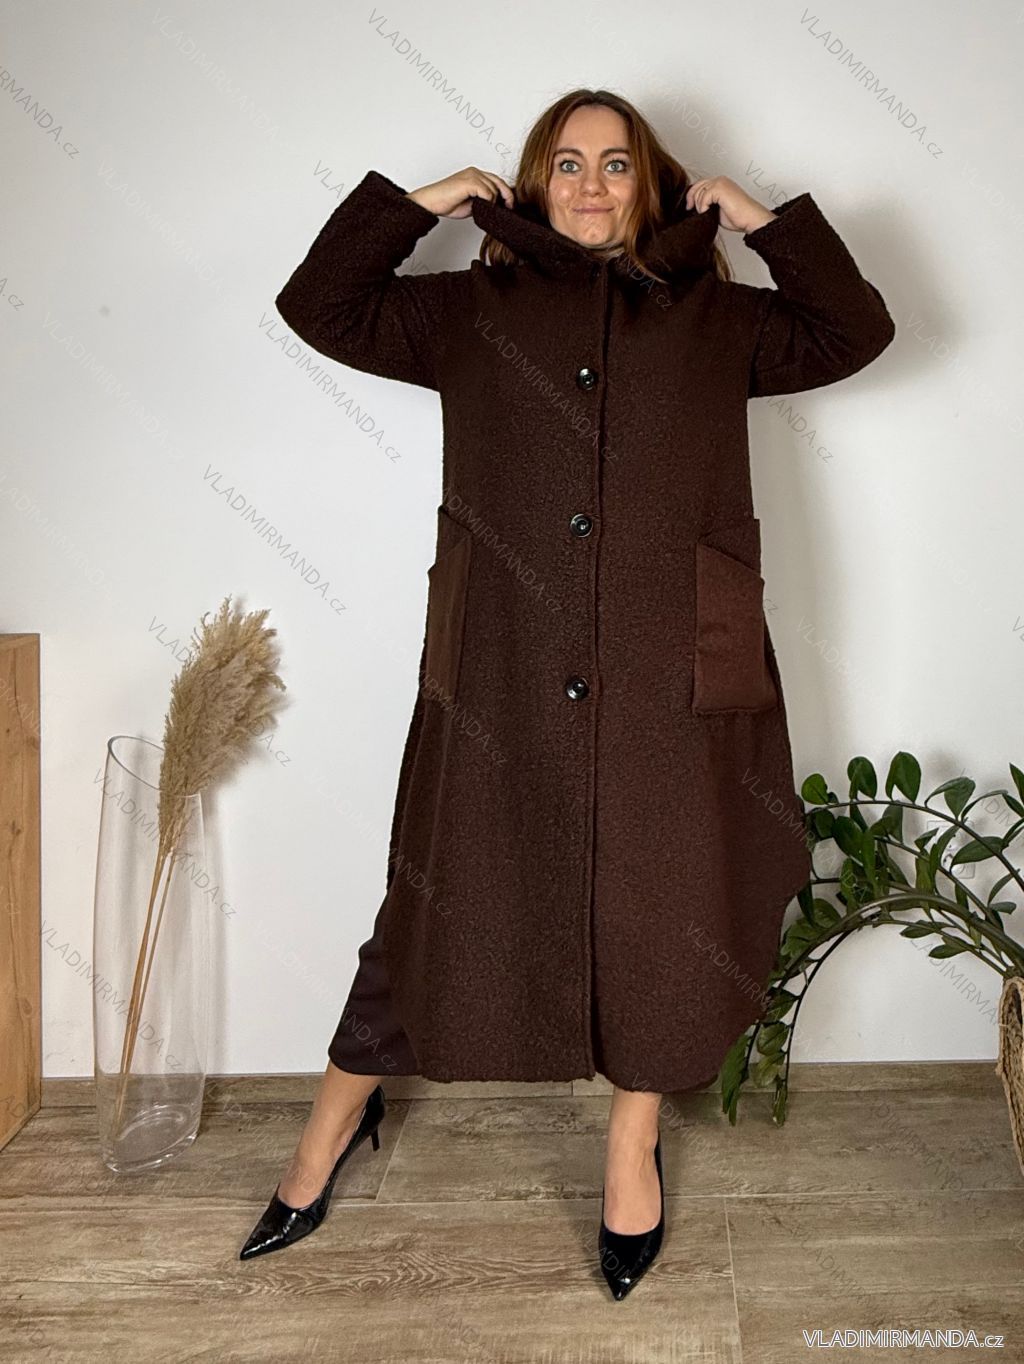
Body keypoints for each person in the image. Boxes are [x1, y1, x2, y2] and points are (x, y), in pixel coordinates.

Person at [240, 87, 894, 1299]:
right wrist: (425, 201)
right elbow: (317, 304)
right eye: (567, 163)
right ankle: (326, 1131)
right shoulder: (464, 313)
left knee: (665, 901)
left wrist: (762, 220)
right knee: (435, 901)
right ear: (533, 184)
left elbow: (854, 328)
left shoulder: (719, 321)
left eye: (616, 163)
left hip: (674, 671)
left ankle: (630, 1143)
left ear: (653, 182)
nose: (591, 184)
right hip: (503, 668)